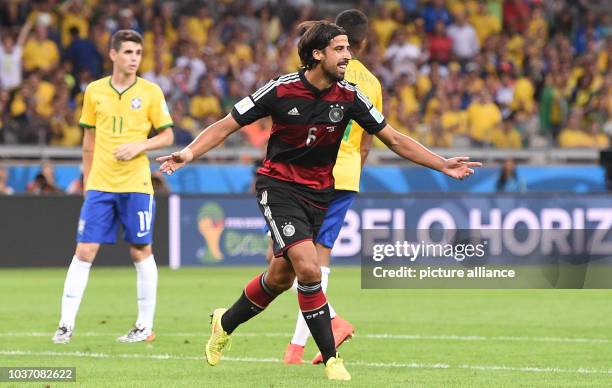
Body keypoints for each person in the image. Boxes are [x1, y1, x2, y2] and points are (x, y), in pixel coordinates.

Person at [158, 21, 479, 381]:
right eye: (340, 49)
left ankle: (225, 322)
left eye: (348, 48)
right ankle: (331, 359)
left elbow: (395, 139)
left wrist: (441, 163)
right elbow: (226, 124)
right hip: (277, 187)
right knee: (310, 269)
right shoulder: (280, 90)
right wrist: (187, 153)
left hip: (319, 193)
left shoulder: (351, 96)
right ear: (317, 54)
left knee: (280, 278)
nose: (348, 55)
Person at [52, 30, 174, 344]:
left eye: (138, 53)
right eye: (129, 52)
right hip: (101, 185)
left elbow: (167, 136)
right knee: (84, 250)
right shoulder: (94, 91)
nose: (134, 58)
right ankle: (65, 325)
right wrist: (87, 178)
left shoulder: (150, 92)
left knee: (140, 250)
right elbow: (88, 139)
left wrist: (139, 146)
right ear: (113, 54)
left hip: (136, 184)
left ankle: (144, 326)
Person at [281, 9, 379, 366]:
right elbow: (369, 140)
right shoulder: (372, 83)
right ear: (363, 41)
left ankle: (328, 324)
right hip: (347, 175)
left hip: (311, 171)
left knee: (293, 259)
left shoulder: (322, 72)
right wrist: (353, 170)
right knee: (313, 257)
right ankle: (296, 348)